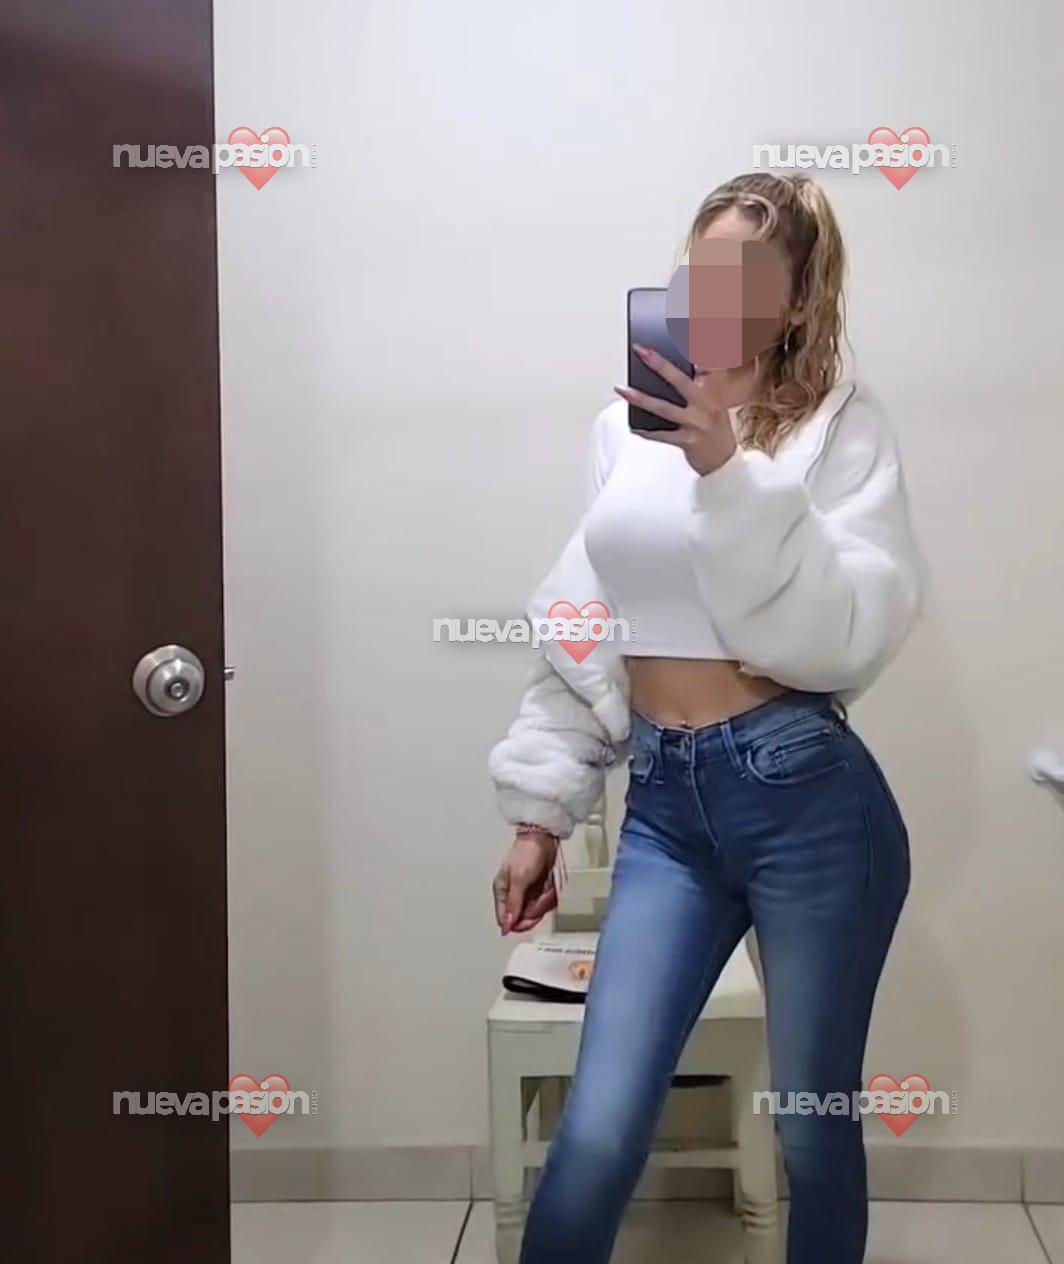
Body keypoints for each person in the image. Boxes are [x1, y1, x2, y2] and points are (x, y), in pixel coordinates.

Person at [487, 171, 928, 1264]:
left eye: (744, 275)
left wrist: (730, 469)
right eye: (700, 268)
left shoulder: (836, 429)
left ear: (796, 301)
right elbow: (583, 625)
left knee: (811, 1126)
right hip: (666, 810)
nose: (711, 293)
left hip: (807, 800)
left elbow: (850, 629)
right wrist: (542, 810)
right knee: (598, 1128)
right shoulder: (622, 428)